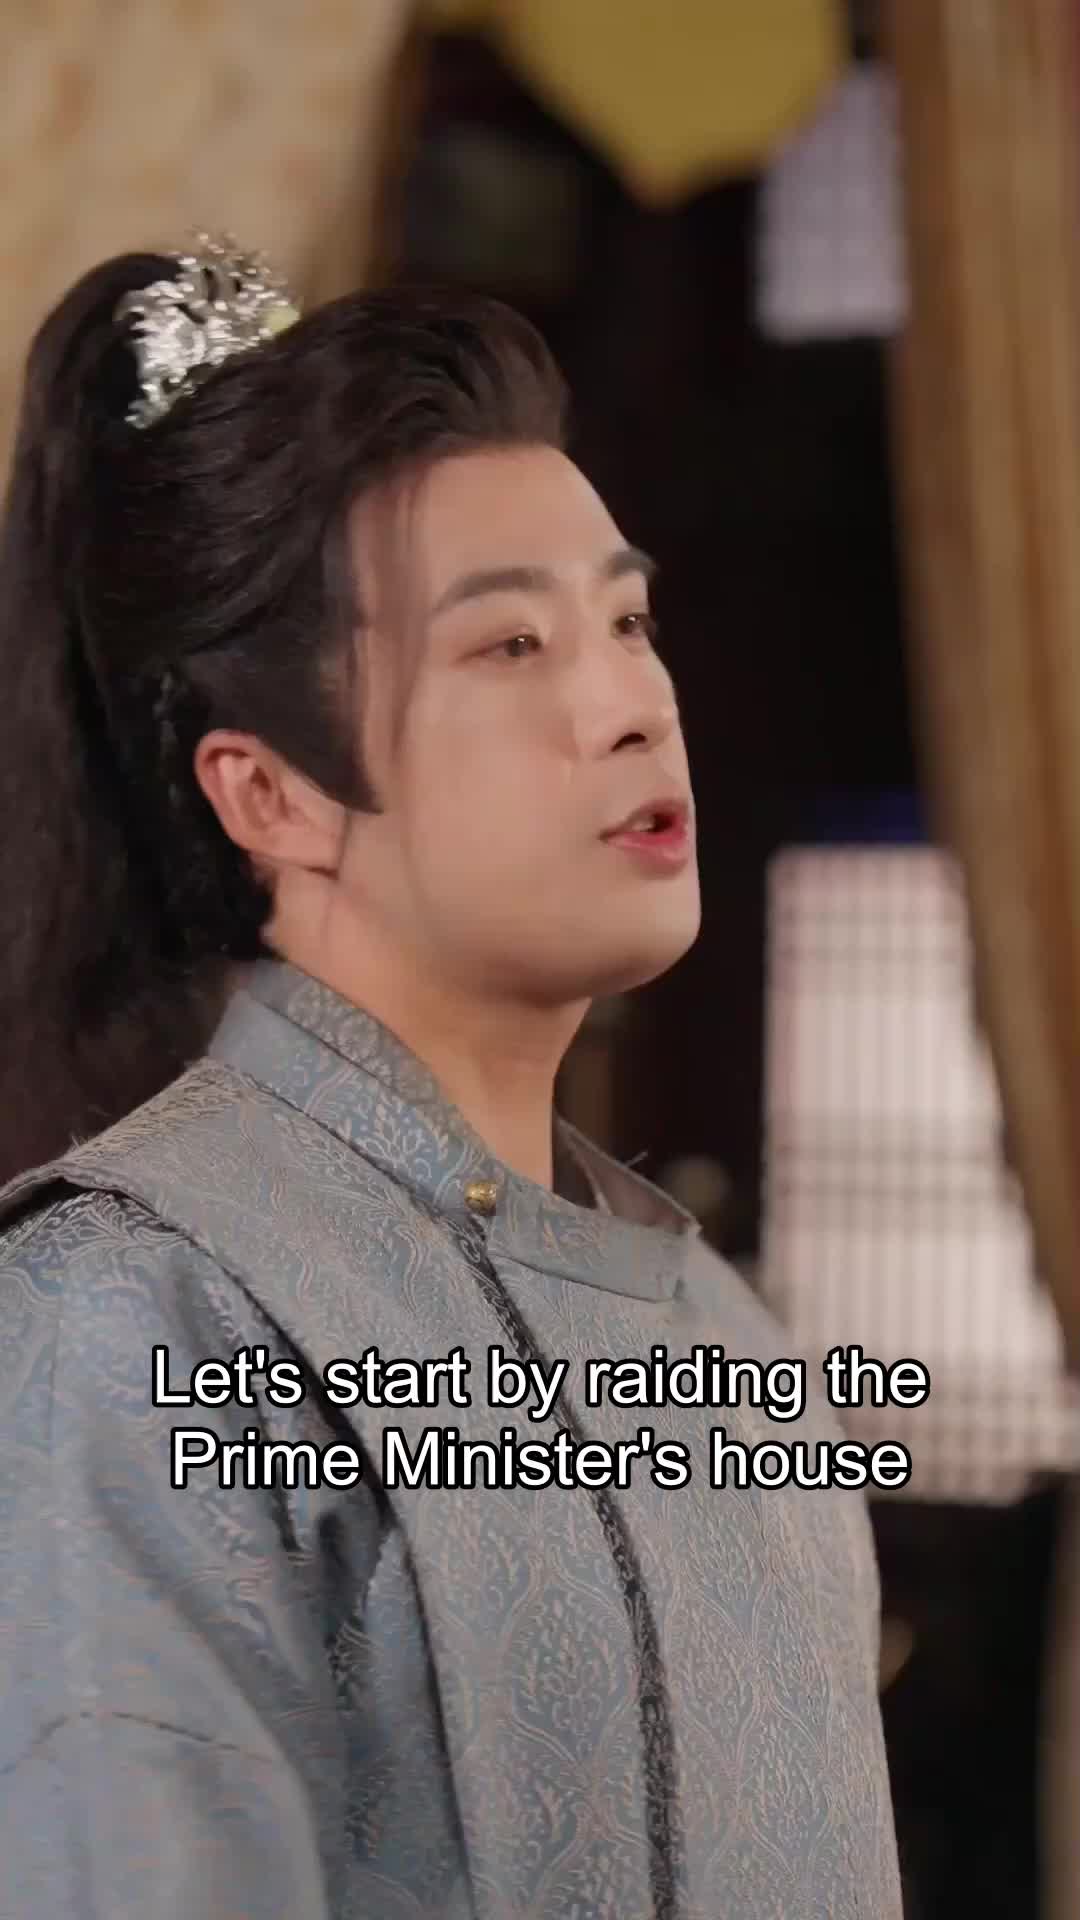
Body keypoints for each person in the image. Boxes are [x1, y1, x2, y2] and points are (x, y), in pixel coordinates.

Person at [0, 237, 902, 1919]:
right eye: (510, 647)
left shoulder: (725, 1341)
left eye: (627, 620)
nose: (630, 707)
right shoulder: (135, 1317)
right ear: (271, 795)